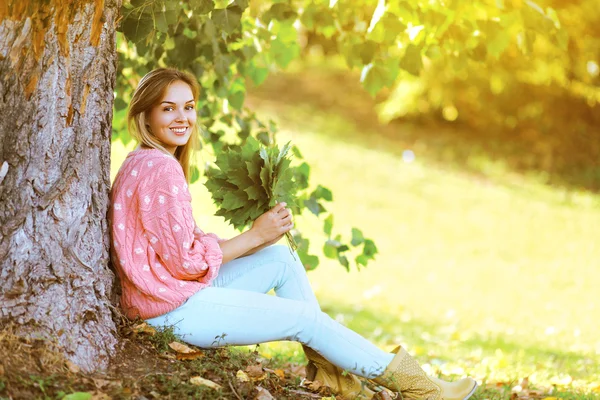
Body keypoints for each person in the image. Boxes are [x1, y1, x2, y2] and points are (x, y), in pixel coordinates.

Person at [108, 68, 478, 400]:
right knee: (304, 319)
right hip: (170, 310)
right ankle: (421, 390)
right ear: (145, 116)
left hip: (167, 297)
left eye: (188, 107)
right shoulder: (161, 169)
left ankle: (333, 378)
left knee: (281, 258)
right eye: (168, 108)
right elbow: (186, 262)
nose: (182, 117)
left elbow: (177, 249)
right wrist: (253, 236)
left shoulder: (144, 161)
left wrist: (260, 238)